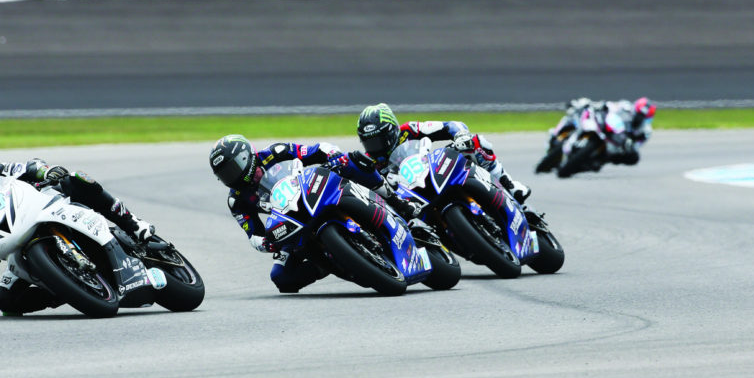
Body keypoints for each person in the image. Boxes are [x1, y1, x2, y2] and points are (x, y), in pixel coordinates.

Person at [0, 146, 158, 315]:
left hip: (45, 206)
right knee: (5, 301)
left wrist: (46, 172)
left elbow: (29, 167)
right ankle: (63, 289)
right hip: (15, 245)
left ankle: (133, 224)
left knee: (77, 180)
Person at [208, 134, 417, 294]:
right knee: (281, 278)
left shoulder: (275, 152)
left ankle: (396, 201)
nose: (231, 177)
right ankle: (328, 264)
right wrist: (266, 243)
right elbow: (252, 233)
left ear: (246, 157)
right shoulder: (236, 201)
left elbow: (316, 150)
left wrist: (333, 157)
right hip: (291, 222)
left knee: (354, 161)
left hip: (314, 191)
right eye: (224, 175)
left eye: (232, 168)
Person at [355, 102, 532, 203]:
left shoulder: (409, 130)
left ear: (391, 130)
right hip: (414, 198)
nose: (375, 146)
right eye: (369, 142)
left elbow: (450, 125)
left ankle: (509, 184)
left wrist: (461, 136)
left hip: (435, 172)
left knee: (476, 143)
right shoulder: (369, 164)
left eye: (378, 139)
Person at [600, 97, 656, 165]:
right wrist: (603, 106)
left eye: (642, 116)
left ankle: (605, 159)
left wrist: (631, 145)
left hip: (620, 142)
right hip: (610, 127)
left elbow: (638, 145)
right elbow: (610, 105)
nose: (639, 118)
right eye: (639, 114)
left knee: (634, 158)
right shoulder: (625, 106)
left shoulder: (646, 130)